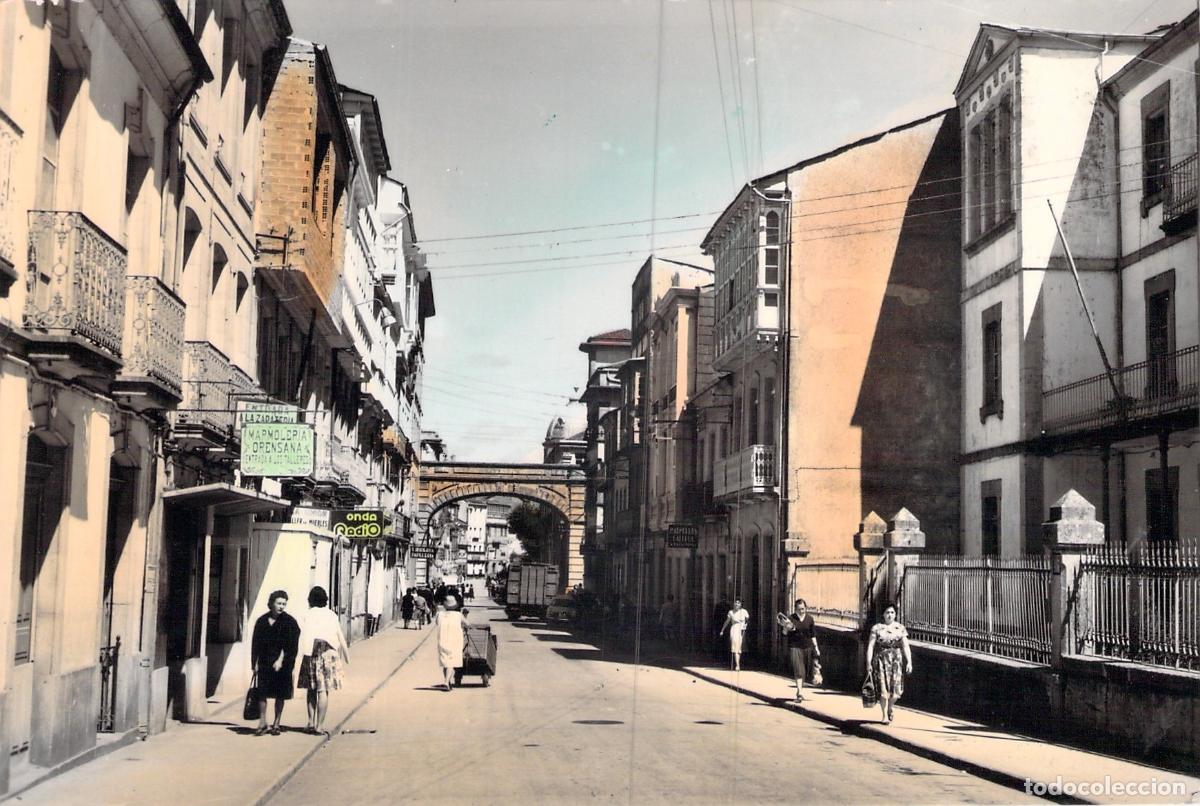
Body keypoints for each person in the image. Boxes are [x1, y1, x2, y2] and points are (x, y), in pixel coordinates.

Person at [297, 586, 351, 736]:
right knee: (323, 690)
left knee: (311, 689)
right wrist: (347, 656)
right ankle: (319, 726)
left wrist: (303, 655)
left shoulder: (308, 614)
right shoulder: (331, 615)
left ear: (310, 600)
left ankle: (310, 722)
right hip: (329, 653)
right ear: (325, 599)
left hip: (313, 653)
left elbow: (305, 635)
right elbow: (340, 635)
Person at [249, 590, 301, 736]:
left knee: (280, 694)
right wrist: (255, 663)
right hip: (265, 662)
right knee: (262, 693)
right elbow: (256, 643)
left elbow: (291, 645)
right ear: (271, 603)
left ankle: (276, 723)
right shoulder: (261, 621)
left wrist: (281, 660)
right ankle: (263, 722)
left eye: (284, 604)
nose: (281, 606)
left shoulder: (289, 622)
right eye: (278, 603)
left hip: (282, 665)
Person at [865, 602, 913, 725]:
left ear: (895, 614)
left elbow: (906, 646)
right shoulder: (877, 628)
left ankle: (891, 707)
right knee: (882, 688)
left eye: (892, 612)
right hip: (881, 660)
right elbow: (870, 646)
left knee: (896, 689)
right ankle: (884, 715)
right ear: (883, 614)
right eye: (887, 612)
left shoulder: (900, 628)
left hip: (896, 661)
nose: (890, 615)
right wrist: (868, 663)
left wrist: (909, 662)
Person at [779, 599, 819, 702]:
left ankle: (799, 691)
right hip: (795, 647)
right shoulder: (791, 618)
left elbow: (813, 635)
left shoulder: (810, 619)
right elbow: (783, 634)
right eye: (799, 609)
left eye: (803, 609)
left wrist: (816, 648)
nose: (801, 611)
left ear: (806, 608)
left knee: (805, 671)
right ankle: (799, 693)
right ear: (795, 609)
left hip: (808, 647)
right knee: (799, 670)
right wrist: (786, 628)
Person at [436, 594, 468, 691]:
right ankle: (446, 682)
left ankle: (448, 682)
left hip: (442, 641)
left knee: (445, 662)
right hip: (454, 641)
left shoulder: (439, 614)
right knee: (451, 662)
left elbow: (437, 623)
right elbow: (467, 624)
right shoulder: (458, 615)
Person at [718, 598, 750, 672]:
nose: (737, 604)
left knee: (742, 647)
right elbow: (727, 622)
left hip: (742, 629)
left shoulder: (744, 611)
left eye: (738, 603)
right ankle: (737, 665)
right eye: (735, 603)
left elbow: (747, 620)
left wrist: (746, 625)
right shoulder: (731, 612)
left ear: (741, 604)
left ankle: (742, 663)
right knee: (736, 647)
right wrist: (722, 630)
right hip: (735, 629)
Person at [712, 596, 731, 661]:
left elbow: (715, 616)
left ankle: (720, 656)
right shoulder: (726, 606)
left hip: (722, 625)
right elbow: (715, 616)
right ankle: (721, 656)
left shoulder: (723, 606)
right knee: (721, 641)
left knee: (721, 641)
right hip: (720, 625)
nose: (724, 600)